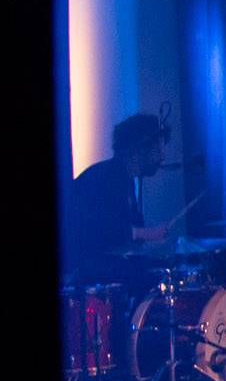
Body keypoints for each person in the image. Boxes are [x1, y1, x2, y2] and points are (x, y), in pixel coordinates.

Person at [64, 112, 171, 283]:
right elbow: (97, 232)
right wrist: (146, 233)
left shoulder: (123, 179)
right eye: (158, 148)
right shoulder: (103, 179)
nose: (162, 156)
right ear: (137, 150)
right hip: (93, 279)